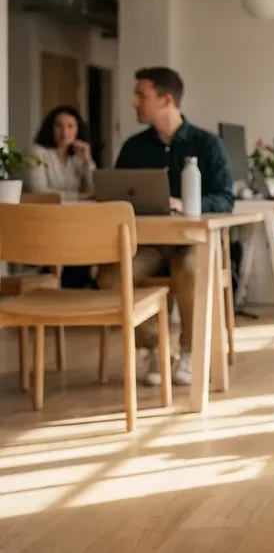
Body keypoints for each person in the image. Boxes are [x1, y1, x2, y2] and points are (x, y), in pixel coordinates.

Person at [97, 67, 235, 388]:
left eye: (141, 95)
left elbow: (225, 198)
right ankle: (156, 346)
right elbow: (117, 196)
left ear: (166, 99)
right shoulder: (134, 147)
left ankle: (188, 351)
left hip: (190, 241)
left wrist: (183, 204)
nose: (134, 102)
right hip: (147, 243)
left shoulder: (208, 144)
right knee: (110, 278)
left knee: (191, 271)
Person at [27, 105, 98, 288]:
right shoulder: (38, 153)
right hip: (46, 218)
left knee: (89, 233)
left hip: (75, 219)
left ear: (78, 130)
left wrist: (88, 161)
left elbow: (95, 190)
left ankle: (76, 285)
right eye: (59, 126)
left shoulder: (78, 157)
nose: (64, 132)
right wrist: (80, 197)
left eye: (70, 126)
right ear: (50, 128)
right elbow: (40, 192)